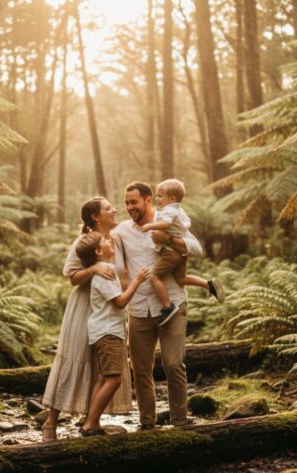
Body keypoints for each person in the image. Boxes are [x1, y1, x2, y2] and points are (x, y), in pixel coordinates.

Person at [40, 197, 133, 442]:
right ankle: (51, 422)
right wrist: (92, 270)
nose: (114, 210)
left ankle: (92, 420)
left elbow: (122, 274)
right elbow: (72, 277)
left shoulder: (116, 241)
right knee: (74, 357)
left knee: (102, 367)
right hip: (84, 308)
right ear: (95, 216)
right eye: (108, 208)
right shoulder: (82, 242)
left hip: (109, 308)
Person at [113, 181, 202, 430]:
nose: (130, 207)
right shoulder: (121, 231)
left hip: (172, 304)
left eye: (134, 202)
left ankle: (180, 423)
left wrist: (171, 240)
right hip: (139, 309)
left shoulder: (170, 220)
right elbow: (111, 257)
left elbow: (197, 248)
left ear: (148, 200)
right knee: (141, 370)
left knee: (174, 365)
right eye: (127, 203)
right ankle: (147, 425)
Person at [74, 232, 150, 436]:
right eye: (105, 241)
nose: (110, 241)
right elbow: (120, 302)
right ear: (99, 251)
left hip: (104, 331)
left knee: (103, 378)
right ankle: (89, 424)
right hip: (108, 333)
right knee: (114, 379)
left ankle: (93, 422)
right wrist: (138, 280)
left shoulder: (106, 270)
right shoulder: (105, 272)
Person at [141, 178, 225, 326]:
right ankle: (209, 284)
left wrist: (150, 226)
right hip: (180, 252)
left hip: (170, 252)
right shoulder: (179, 210)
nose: (157, 198)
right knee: (181, 279)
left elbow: (166, 224)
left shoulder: (168, 211)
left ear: (172, 198)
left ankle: (167, 307)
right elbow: (184, 225)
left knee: (154, 277)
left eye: (160, 196)